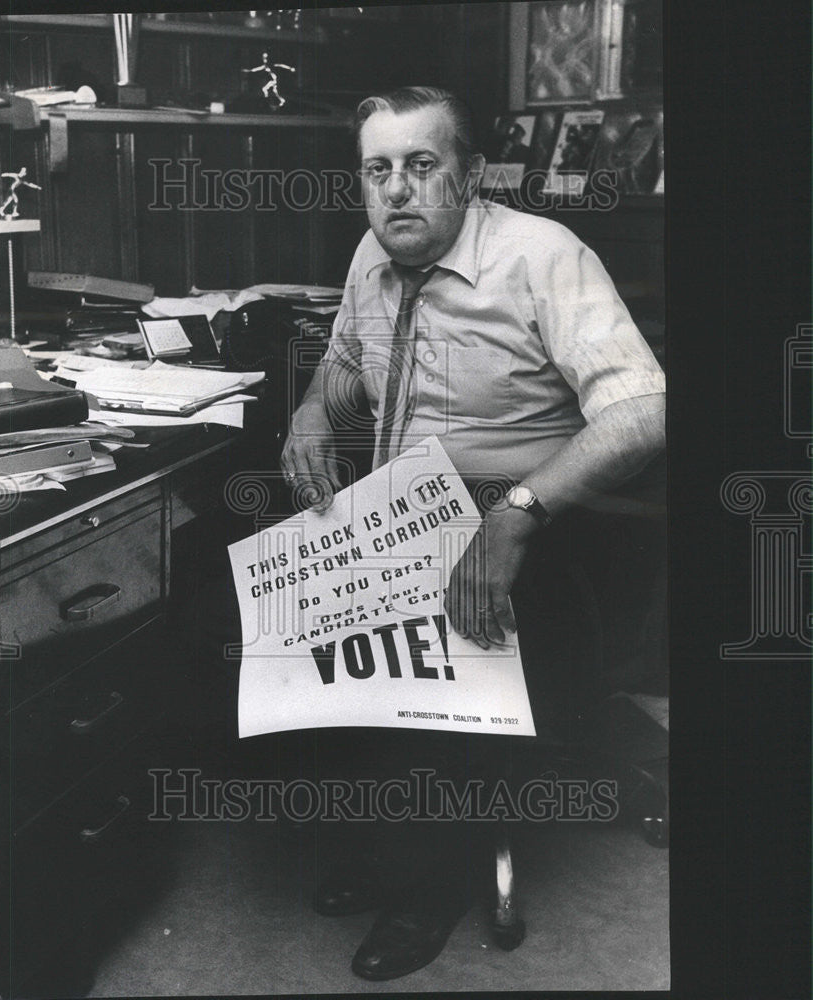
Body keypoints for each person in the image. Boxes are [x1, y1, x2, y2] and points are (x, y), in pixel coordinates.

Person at [279, 86, 665, 980]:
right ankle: (391, 841)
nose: (398, 192)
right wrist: (310, 410)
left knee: (420, 664)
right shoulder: (371, 257)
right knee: (290, 634)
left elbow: (644, 411)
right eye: (379, 170)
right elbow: (346, 361)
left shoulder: (544, 257)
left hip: (530, 524)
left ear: (471, 174)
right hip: (400, 519)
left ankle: (431, 882)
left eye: (423, 166)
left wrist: (519, 514)